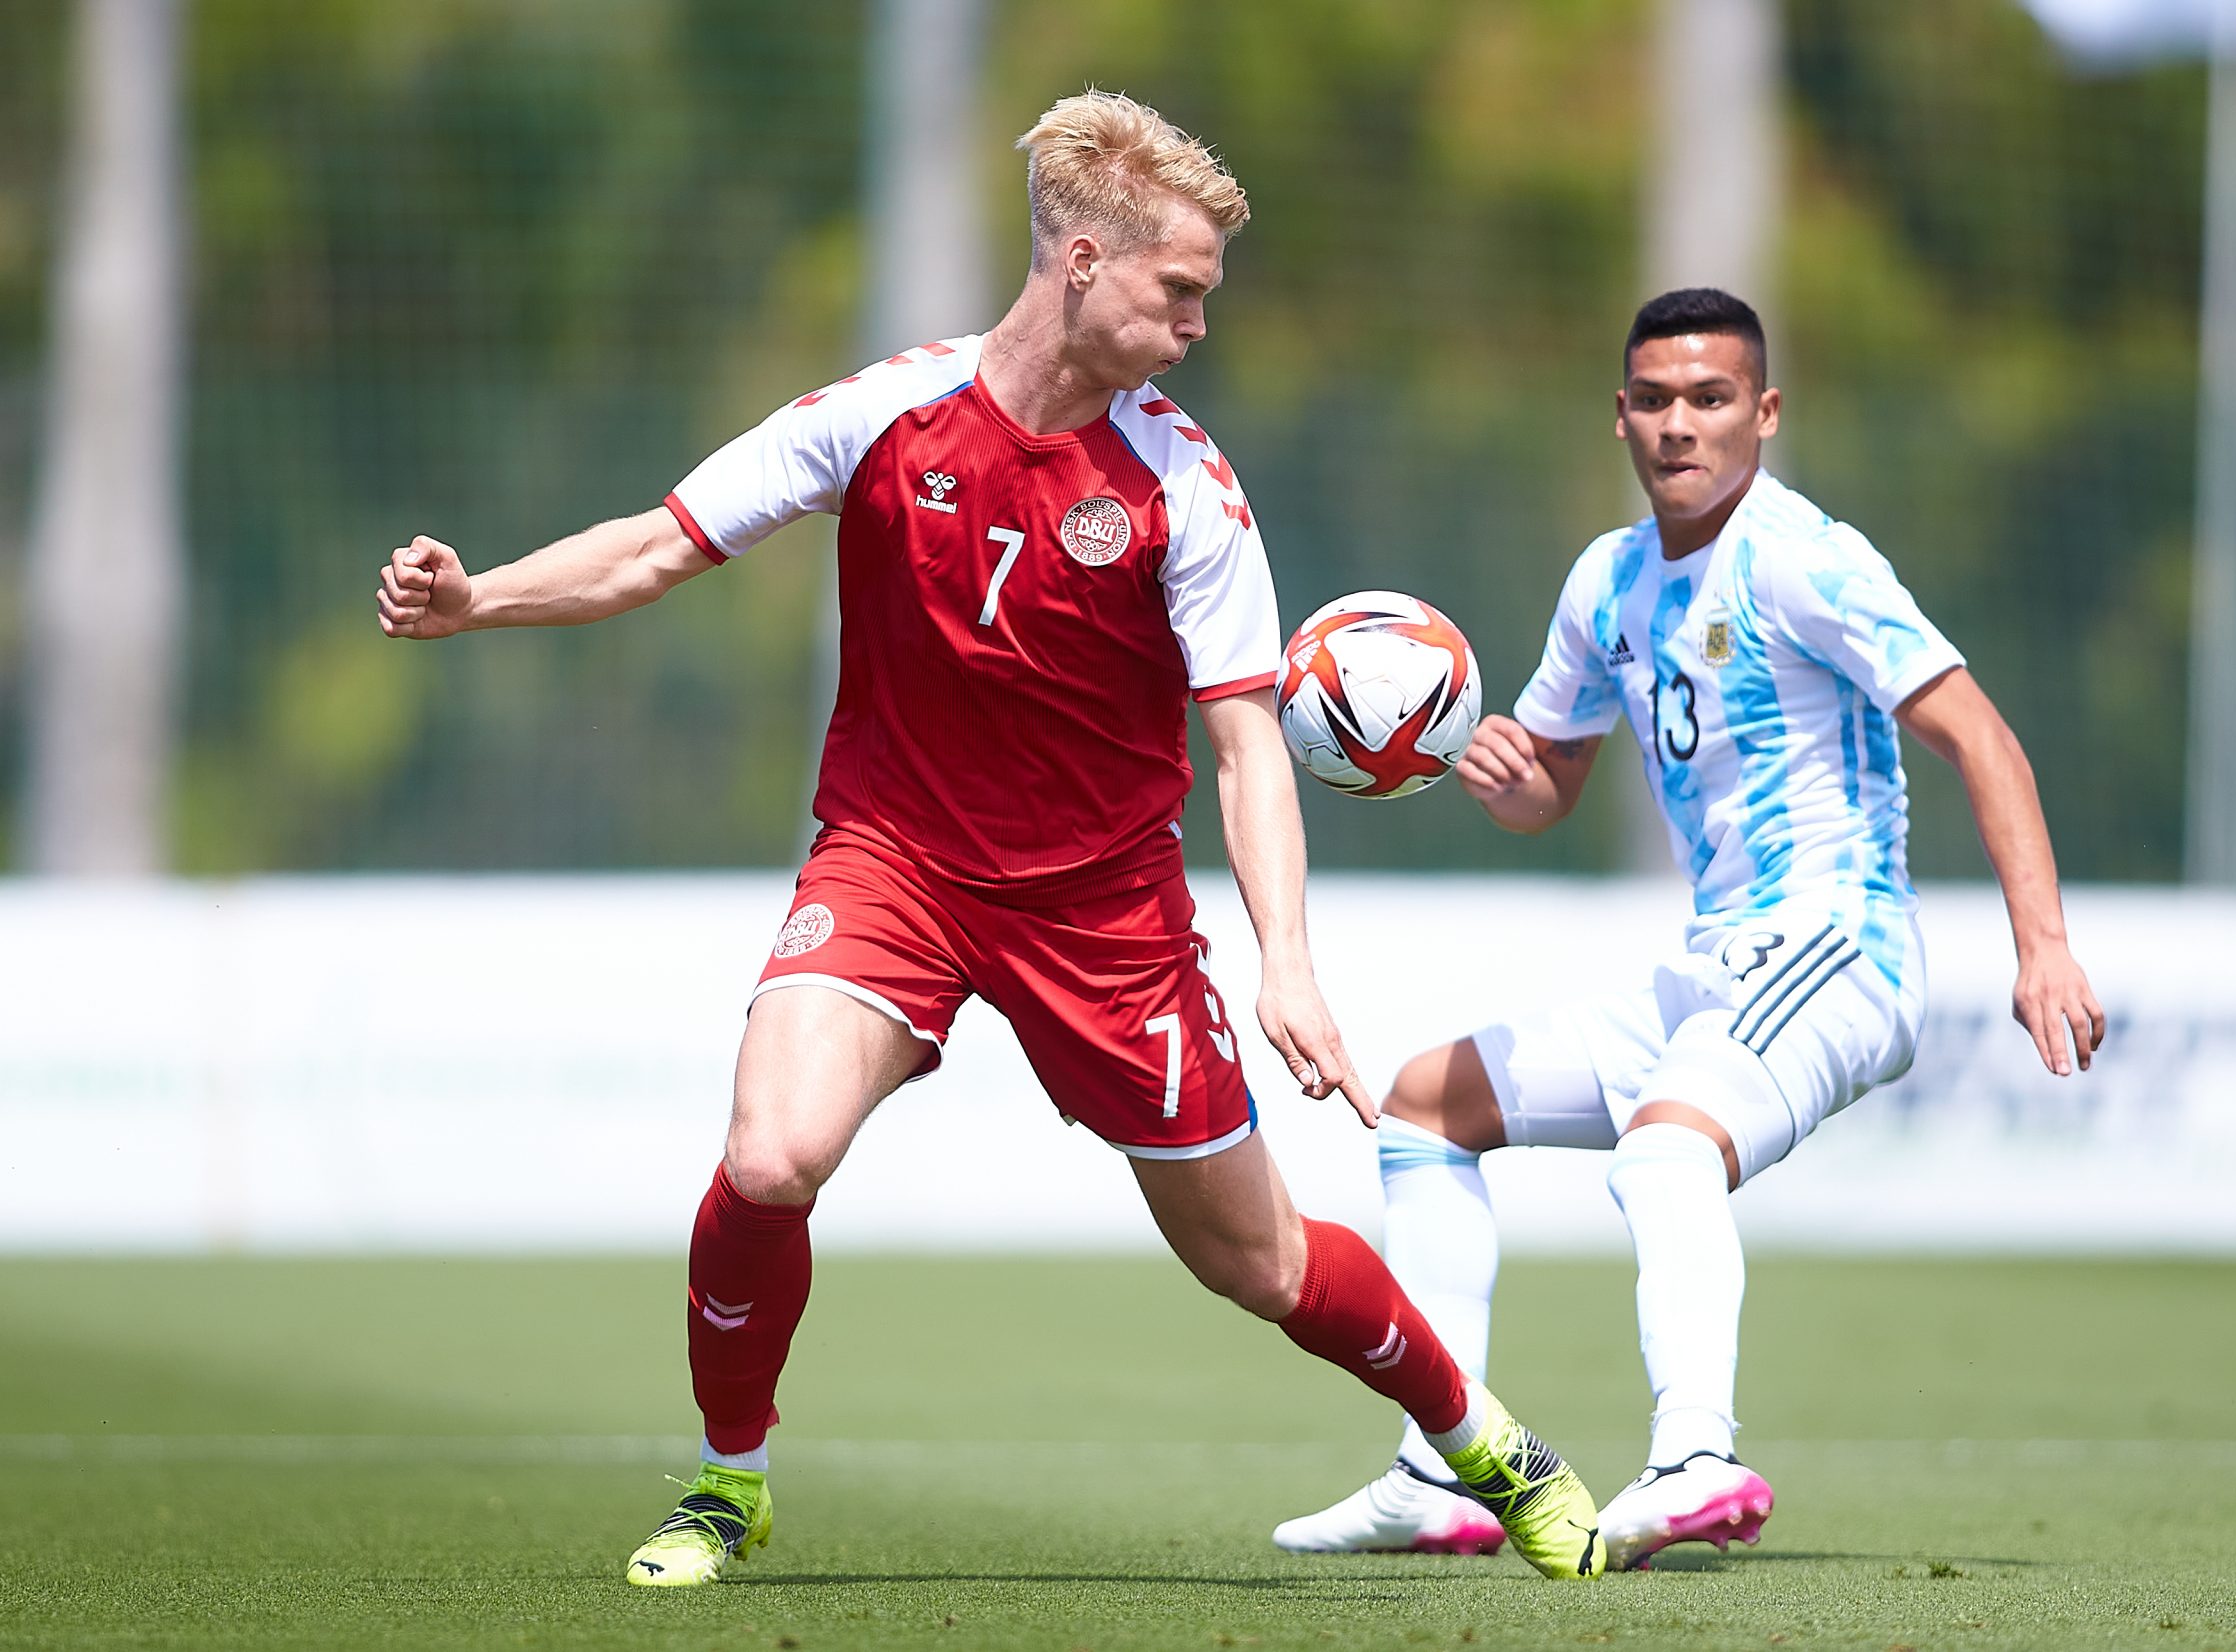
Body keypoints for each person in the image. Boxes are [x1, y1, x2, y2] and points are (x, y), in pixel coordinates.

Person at [376, 91, 1604, 1585]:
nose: (1198, 325)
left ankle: (1492, 1445)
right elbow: (653, 544)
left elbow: (1243, 746)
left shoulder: (1188, 491)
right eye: (1180, 289)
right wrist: (478, 599)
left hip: (1103, 915)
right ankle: (726, 1481)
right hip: (892, 861)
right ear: (1081, 260)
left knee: (1260, 1259)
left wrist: (1286, 963)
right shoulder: (884, 414)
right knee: (771, 1155)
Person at [1272, 287, 2106, 1570]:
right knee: (1422, 1109)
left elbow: (1982, 738)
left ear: (1762, 413)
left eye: (1710, 398)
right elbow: (1549, 790)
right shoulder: (1605, 580)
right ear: (1620, 415)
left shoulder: (1804, 558)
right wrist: (1504, 777)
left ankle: (1696, 1457)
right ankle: (1439, 1471)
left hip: (1839, 943)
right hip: (1717, 960)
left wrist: (2040, 944)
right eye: (1655, 399)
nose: (1680, 424)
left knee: (1664, 1155)